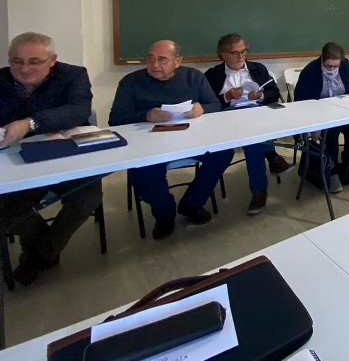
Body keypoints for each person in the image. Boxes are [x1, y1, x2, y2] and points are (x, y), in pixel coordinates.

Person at [0, 32, 102, 285]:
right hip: (16, 161)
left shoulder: (73, 75)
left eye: (34, 62)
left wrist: (31, 123)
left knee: (87, 197)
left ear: (53, 60)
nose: (25, 69)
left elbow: (78, 110)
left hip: (66, 156)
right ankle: (44, 249)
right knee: (7, 208)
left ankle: (40, 254)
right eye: (17, 61)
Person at [109, 40, 233, 239]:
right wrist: (146, 115)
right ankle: (164, 214)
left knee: (223, 152)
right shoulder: (131, 82)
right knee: (144, 169)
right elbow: (115, 120)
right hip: (148, 141)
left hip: (190, 137)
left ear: (178, 61)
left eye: (162, 59)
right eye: (150, 58)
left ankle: (191, 204)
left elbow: (215, 104)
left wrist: (202, 108)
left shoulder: (193, 77)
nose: (154, 64)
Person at [204, 33, 291, 215]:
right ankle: (266, 172)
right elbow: (206, 104)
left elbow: (274, 93)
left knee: (254, 138)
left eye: (244, 51)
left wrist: (261, 95)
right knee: (253, 140)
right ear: (223, 55)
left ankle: (261, 185)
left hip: (257, 112)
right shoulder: (213, 75)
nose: (241, 56)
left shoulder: (258, 69)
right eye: (235, 53)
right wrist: (227, 96)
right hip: (228, 116)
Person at [295, 42, 349, 193]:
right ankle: (331, 170)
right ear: (322, 59)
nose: (332, 69)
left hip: (345, 111)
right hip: (319, 115)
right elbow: (300, 103)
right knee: (330, 132)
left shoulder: (346, 67)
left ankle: (348, 162)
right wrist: (313, 126)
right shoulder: (310, 71)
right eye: (328, 66)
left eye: (335, 66)